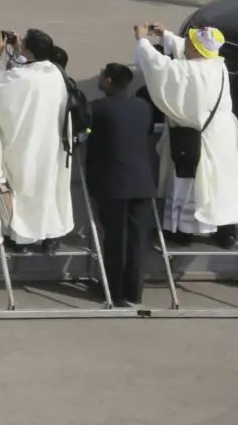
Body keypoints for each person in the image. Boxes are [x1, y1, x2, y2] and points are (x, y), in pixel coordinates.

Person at [133, 23, 238, 244]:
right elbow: (188, 50)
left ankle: (182, 232)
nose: (187, 44)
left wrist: (142, 41)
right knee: (223, 184)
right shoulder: (217, 64)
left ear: (197, 49)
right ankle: (226, 232)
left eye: (190, 42)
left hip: (198, 138)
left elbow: (158, 66)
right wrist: (166, 36)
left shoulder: (189, 71)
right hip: (224, 136)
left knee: (190, 186)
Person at [0, 28, 74, 251]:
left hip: (25, 142)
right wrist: (19, 53)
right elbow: (27, 71)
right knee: (48, 188)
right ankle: (51, 235)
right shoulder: (54, 73)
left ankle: (21, 237)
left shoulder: (21, 77)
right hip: (50, 143)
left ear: (28, 49)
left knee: (24, 189)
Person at [83, 61, 156, 308]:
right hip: (142, 182)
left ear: (110, 82)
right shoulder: (143, 107)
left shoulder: (98, 108)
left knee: (115, 239)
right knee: (137, 240)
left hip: (112, 184)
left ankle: (114, 291)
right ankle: (134, 291)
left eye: (103, 76)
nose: (100, 79)